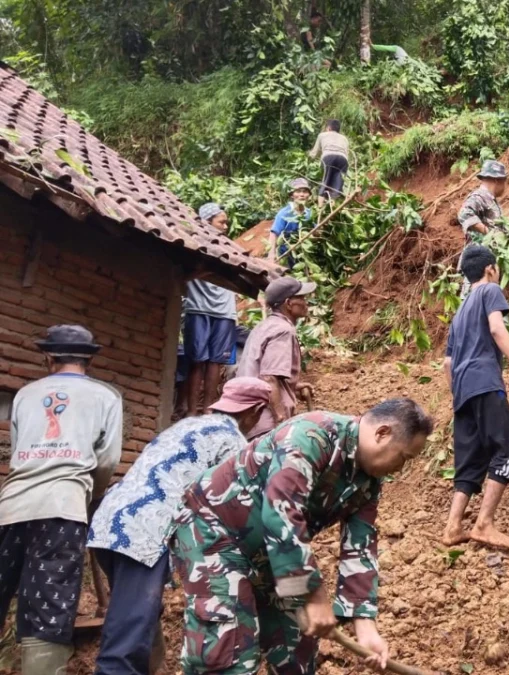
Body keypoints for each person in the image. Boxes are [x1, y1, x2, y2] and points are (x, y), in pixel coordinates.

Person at [171, 400, 433, 675]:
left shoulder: (368, 482)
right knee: (227, 651)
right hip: (214, 532)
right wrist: (313, 595)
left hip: (271, 552)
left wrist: (365, 626)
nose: (400, 469)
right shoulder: (311, 435)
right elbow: (281, 514)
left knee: (296, 645)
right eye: (404, 457)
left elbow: (360, 546)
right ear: (382, 433)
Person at [87, 377, 271, 675]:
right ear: (257, 409)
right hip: (144, 532)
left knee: (138, 618)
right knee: (128, 638)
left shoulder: (186, 425)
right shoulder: (233, 442)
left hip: (109, 522)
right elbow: (232, 511)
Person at [0, 325, 123, 675]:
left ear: (48, 357)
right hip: (63, 507)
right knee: (48, 602)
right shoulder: (106, 396)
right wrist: (91, 496)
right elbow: (109, 460)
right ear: (89, 360)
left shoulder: (25, 394)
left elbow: (17, 453)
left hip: (11, 506)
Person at [441, 245, 509, 550]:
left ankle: (453, 527)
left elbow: (447, 364)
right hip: (484, 381)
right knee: (508, 452)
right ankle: (484, 524)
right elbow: (496, 327)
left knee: (471, 460)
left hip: (463, 389)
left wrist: (458, 396)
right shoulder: (490, 291)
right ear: (490, 269)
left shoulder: (459, 312)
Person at [238, 276, 316, 441]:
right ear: (288, 303)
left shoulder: (264, 326)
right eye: (301, 298)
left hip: (249, 419)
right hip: (265, 424)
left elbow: (259, 372)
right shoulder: (283, 331)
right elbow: (268, 378)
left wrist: (292, 386)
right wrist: (281, 422)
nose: (305, 302)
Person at [183, 203, 240, 417]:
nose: (225, 227)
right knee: (197, 360)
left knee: (216, 361)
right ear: (207, 222)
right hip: (198, 307)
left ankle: (207, 408)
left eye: (226, 222)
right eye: (221, 222)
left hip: (224, 310)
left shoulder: (230, 247)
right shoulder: (191, 243)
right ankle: (191, 410)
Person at [458, 160, 509, 241]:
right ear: (497, 180)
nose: (504, 186)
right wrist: (487, 232)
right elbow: (464, 214)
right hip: (480, 251)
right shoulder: (479, 197)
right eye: (503, 182)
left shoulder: (490, 199)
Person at [267, 178, 313, 266]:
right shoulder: (284, 213)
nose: (302, 195)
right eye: (298, 191)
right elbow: (274, 234)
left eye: (305, 192)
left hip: (304, 257)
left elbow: (316, 233)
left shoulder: (310, 213)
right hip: (285, 256)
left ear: (309, 195)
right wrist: (271, 256)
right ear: (292, 195)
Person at [309, 119, 350, 204]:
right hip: (343, 160)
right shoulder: (344, 138)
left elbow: (314, 153)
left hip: (328, 157)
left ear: (328, 128)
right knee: (337, 184)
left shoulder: (322, 135)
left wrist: (309, 157)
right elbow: (346, 153)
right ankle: (333, 207)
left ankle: (320, 207)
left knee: (325, 181)